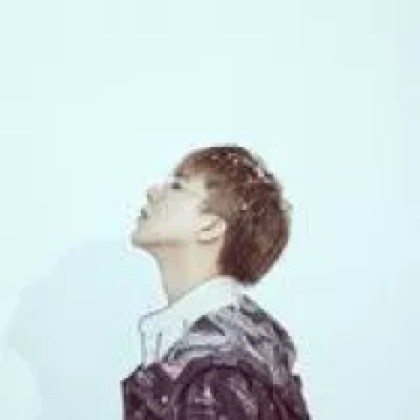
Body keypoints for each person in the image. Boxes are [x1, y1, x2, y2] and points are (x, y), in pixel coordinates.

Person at [121, 143, 311, 419]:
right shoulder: (230, 354)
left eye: (177, 186)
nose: (152, 191)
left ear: (210, 227)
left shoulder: (217, 376)